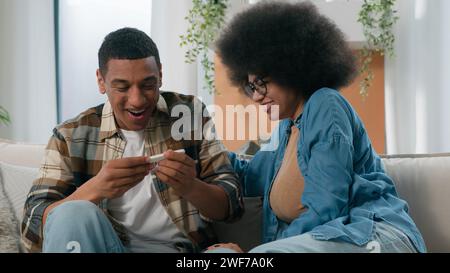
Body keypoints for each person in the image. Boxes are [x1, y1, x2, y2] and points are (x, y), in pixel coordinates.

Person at [207, 1, 426, 253]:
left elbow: (327, 206)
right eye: (251, 87)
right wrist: (201, 151)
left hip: (373, 235)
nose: (256, 96)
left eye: (262, 83)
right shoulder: (285, 128)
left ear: (290, 69)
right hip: (328, 240)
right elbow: (248, 176)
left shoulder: (325, 104)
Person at [21, 27, 243, 253]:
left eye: (148, 85)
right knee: (73, 211)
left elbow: (232, 205)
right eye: (122, 87)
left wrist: (190, 186)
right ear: (101, 80)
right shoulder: (70, 135)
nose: (137, 100)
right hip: (105, 248)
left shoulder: (189, 113)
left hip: (181, 251)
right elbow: (33, 222)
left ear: (160, 75)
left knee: (227, 255)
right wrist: (96, 188)